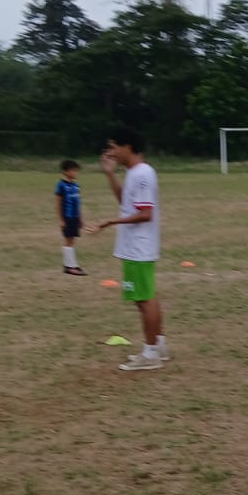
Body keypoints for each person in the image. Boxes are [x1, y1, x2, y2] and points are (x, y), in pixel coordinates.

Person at [86, 127, 168, 370]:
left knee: (144, 299)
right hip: (135, 246)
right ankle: (158, 347)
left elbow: (145, 214)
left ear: (127, 147)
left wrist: (110, 222)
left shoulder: (142, 174)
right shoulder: (134, 173)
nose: (110, 152)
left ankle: (150, 354)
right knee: (146, 297)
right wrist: (110, 174)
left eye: (113, 147)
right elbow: (127, 202)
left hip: (139, 246)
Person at [55, 158, 86, 275]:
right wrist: (60, 220)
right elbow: (57, 204)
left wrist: (80, 218)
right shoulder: (61, 185)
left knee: (72, 240)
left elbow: (78, 203)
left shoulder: (76, 186)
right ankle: (69, 266)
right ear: (65, 171)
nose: (76, 173)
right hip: (67, 217)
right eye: (74, 170)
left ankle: (72, 265)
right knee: (68, 240)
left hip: (74, 217)